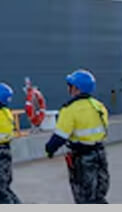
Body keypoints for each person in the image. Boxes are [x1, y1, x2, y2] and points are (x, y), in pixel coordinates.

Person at [46, 69, 109, 204]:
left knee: (84, 198)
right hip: (100, 154)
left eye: (70, 85)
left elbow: (60, 137)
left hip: (82, 158)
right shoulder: (99, 106)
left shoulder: (70, 109)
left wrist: (49, 149)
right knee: (99, 195)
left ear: (75, 88)